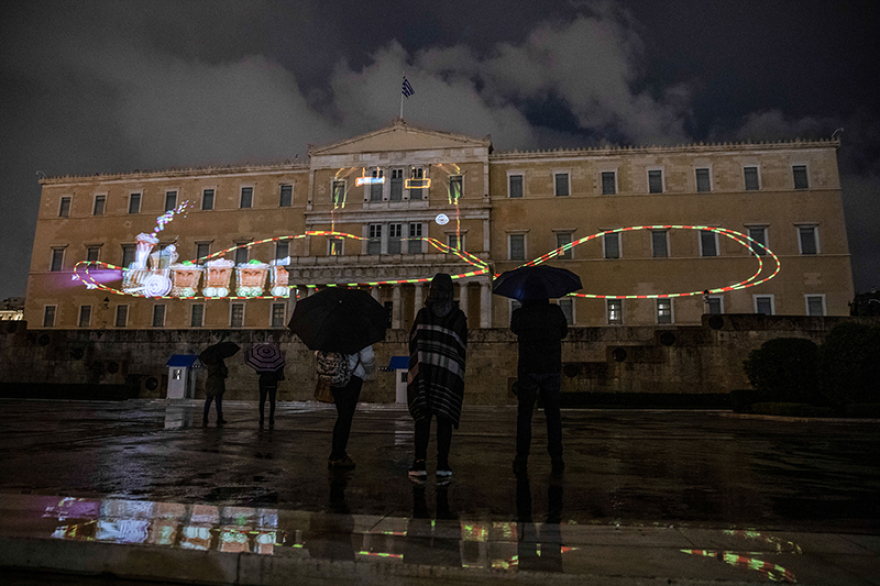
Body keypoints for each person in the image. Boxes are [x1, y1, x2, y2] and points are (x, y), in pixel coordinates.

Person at [407, 273, 468, 481]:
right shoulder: (458, 317)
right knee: (445, 419)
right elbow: (462, 347)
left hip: (425, 373)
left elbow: (413, 342)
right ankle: (443, 464)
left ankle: (419, 462)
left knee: (422, 418)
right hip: (448, 375)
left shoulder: (423, 315)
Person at [510, 298, 568, 475]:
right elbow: (563, 332)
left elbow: (514, 328)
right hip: (551, 368)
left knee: (525, 416)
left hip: (528, 369)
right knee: (553, 416)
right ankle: (556, 457)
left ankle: (521, 457)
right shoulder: (555, 311)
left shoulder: (520, 313)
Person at [328, 344, 375, 469]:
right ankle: (338, 454)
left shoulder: (331, 330)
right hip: (353, 377)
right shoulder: (359, 330)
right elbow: (367, 357)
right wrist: (369, 372)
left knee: (342, 415)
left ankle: (336, 453)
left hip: (334, 375)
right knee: (346, 417)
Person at [203, 357, 228, 426]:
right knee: (218, 400)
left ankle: (205, 417)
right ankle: (219, 418)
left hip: (210, 381)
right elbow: (224, 371)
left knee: (209, 399)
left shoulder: (209, 361)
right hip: (218, 381)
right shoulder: (220, 361)